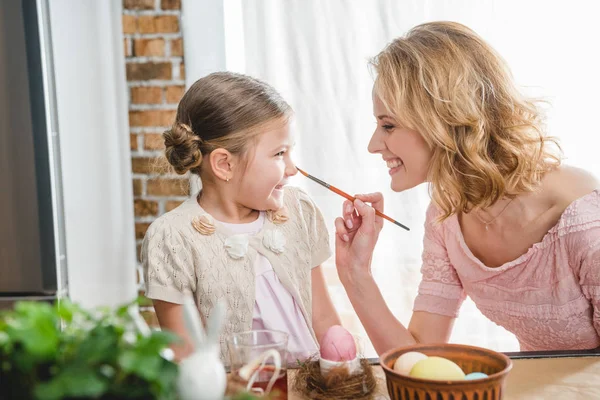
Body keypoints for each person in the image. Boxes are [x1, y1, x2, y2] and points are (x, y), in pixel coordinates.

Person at [334, 21, 600, 354]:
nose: (374, 145)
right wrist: (354, 272)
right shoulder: (445, 217)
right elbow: (419, 357)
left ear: (444, 118)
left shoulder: (582, 220)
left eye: (388, 125)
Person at [142, 72, 341, 361]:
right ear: (224, 164)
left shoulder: (298, 209)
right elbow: (188, 359)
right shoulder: (173, 237)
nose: (292, 169)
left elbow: (323, 320)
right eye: (279, 154)